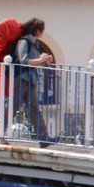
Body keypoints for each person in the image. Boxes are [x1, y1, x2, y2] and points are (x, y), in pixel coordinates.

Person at [11, 17, 57, 148]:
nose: (42, 32)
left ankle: (43, 138)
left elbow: (35, 59)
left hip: (30, 80)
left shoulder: (35, 43)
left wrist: (45, 59)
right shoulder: (24, 42)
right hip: (21, 79)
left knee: (34, 109)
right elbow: (24, 60)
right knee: (13, 108)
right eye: (41, 29)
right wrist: (41, 59)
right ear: (36, 30)